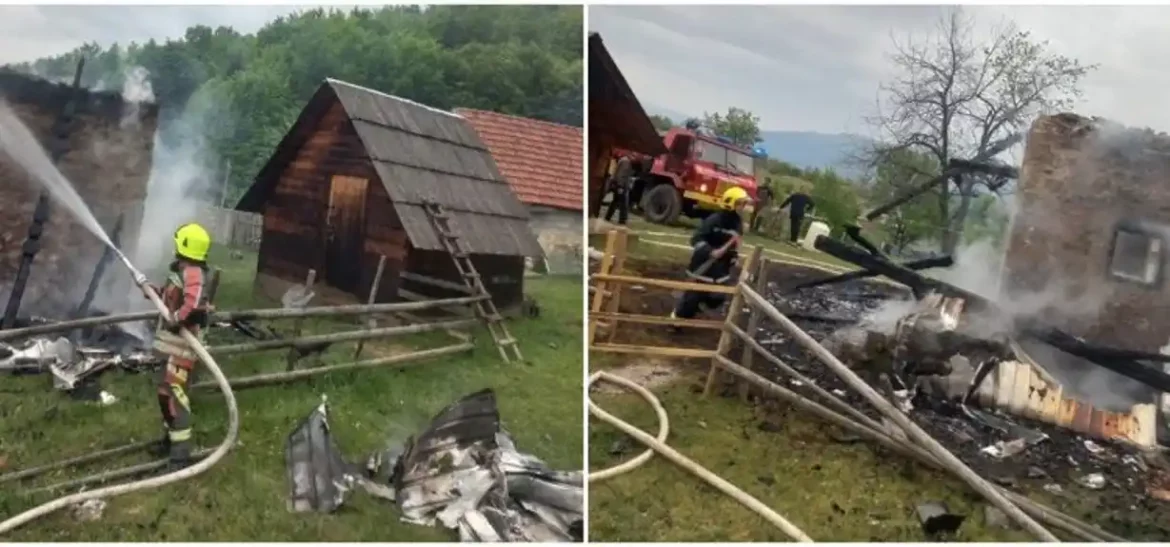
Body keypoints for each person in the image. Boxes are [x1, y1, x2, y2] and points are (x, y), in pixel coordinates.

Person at [148, 222, 214, 468]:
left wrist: (177, 319)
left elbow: (192, 301)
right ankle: (169, 440)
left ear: (184, 246)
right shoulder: (182, 271)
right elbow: (171, 297)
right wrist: (153, 292)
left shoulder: (193, 272)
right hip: (173, 345)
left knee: (174, 396)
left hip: (184, 346)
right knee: (165, 394)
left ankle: (180, 456)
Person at [671, 187, 752, 321]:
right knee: (691, 300)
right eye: (741, 203)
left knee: (717, 298)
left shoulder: (737, 223)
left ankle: (699, 305)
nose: (743, 207)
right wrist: (710, 251)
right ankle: (676, 320)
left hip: (721, 271)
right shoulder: (714, 219)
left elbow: (735, 244)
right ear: (731, 203)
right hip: (703, 268)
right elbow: (696, 239)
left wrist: (734, 258)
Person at [603, 154, 638, 225]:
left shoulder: (624, 160)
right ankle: (622, 221)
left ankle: (608, 217)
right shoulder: (626, 162)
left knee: (615, 202)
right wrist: (620, 187)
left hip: (618, 185)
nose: (635, 159)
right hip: (621, 186)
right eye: (634, 157)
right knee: (623, 204)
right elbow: (621, 175)